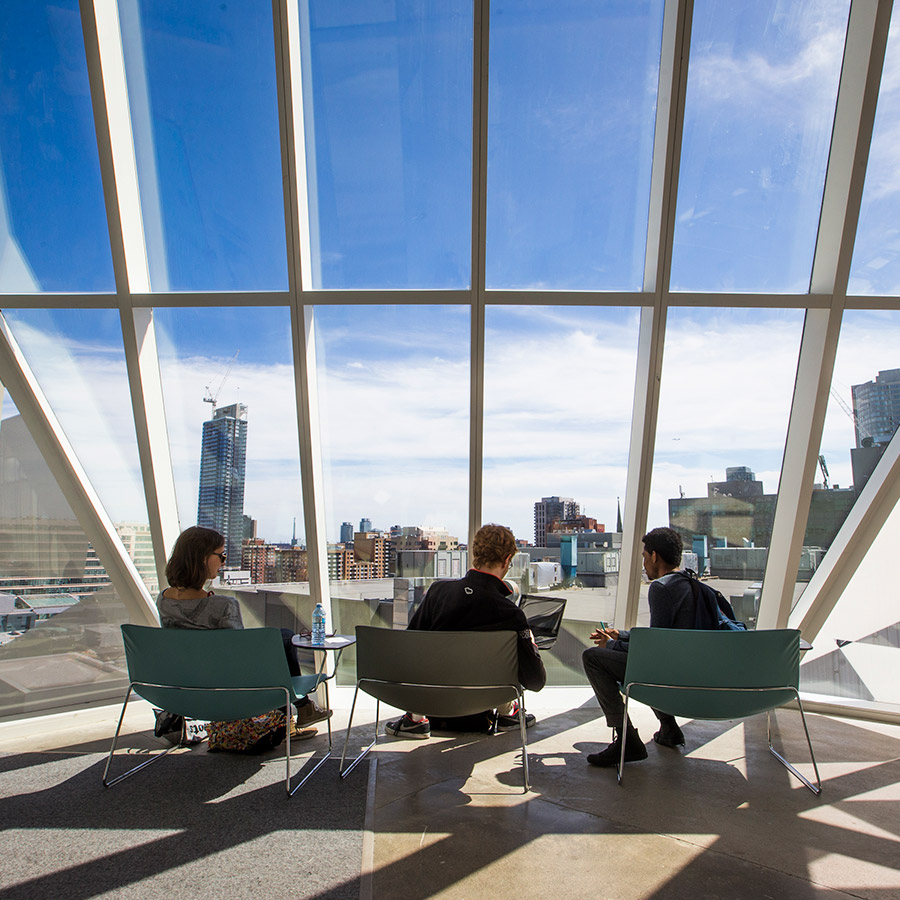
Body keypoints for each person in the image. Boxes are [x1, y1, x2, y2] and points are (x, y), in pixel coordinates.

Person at [156, 525, 331, 740]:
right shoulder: (223, 605)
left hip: (183, 690)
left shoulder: (163, 600)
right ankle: (297, 713)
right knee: (284, 638)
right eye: (221, 556)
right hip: (228, 694)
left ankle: (302, 711)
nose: (223, 562)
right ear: (203, 558)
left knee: (280, 637)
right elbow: (240, 663)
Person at [385, 523, 547, 739]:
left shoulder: (438, 592)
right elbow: (535, 681)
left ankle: (415, 719)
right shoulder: (510, 613)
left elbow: (410, 647)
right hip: (480, 708)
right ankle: (508, 713)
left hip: (434, 706)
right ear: (507, 560)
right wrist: (531, 643)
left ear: (475, 553)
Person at [581, 526, 699, 767]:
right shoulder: (694, 585)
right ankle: (669, 728)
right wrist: (622, 636)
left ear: (655, 556)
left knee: (593, 658)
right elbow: (665, 638)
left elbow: (655, 652)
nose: (644, 565)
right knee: (653, 663)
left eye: (645, 557)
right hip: (694, 674)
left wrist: (612, 646)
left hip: (671, 677)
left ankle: (626, 740)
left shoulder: (662, 588)